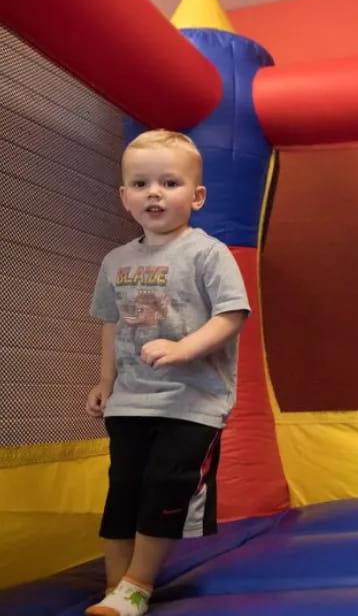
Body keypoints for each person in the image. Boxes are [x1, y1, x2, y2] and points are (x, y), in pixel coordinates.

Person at [83, 129, 250, 616]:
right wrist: (106, 383)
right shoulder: (116, 261)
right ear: (124, 197)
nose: (154, 192)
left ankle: (137, 585)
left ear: (196, 196)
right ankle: (117, 588)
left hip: (191, 403)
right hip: (130, 401)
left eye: (169, 182)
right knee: (124, 491)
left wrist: (183, 349)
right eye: (140, 183)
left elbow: (232, 315)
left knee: (164, 488)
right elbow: (112, 326)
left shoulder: (207, 253)